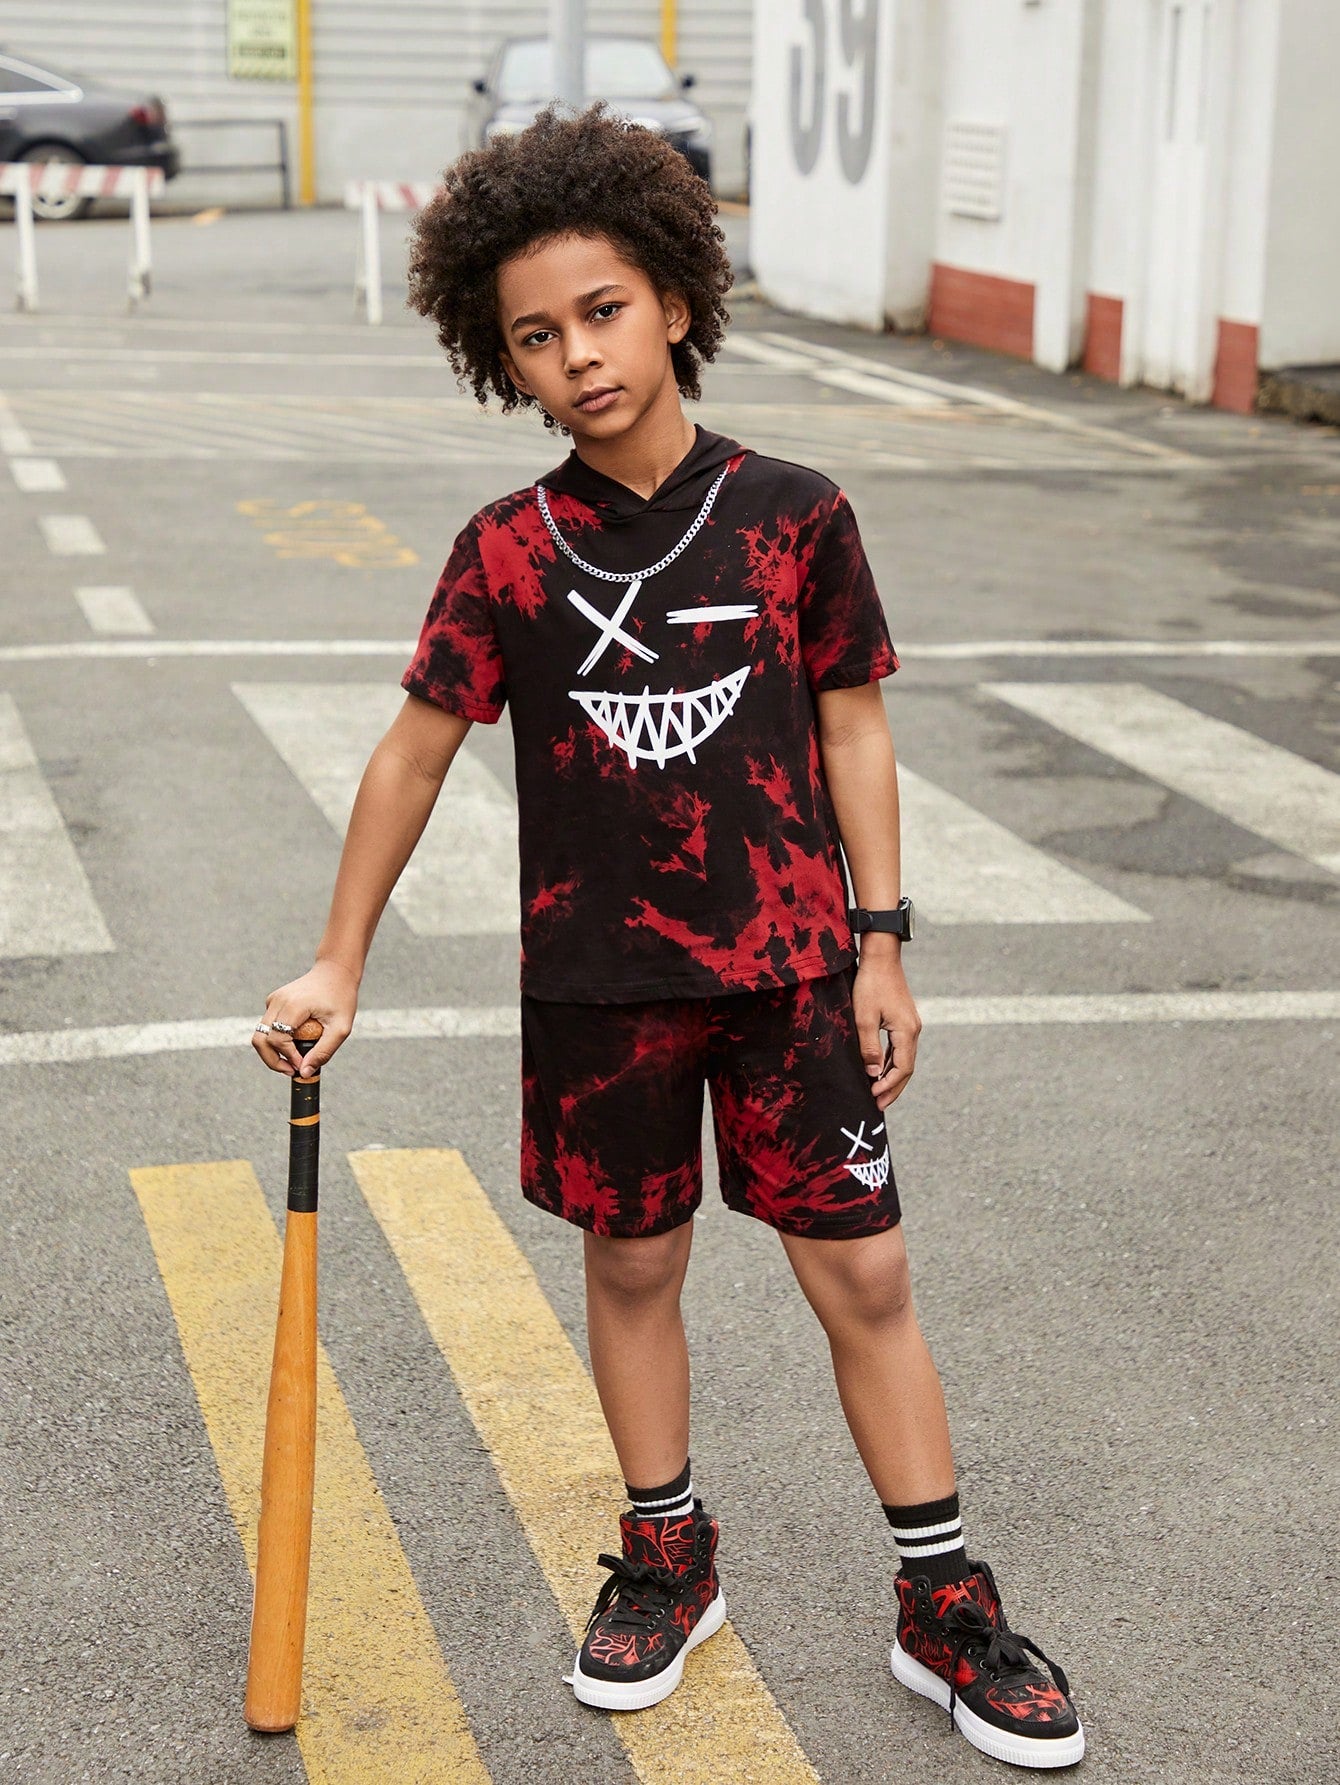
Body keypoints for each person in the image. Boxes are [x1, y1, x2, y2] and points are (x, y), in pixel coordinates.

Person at [252, 104, 1083, 1771]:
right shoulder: (506, 550)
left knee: (865, 1271)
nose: (578, 355)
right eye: (535, 337)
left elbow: (853, 728)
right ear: (503, 362)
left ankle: (942, 1600)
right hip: (599, 986)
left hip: (789, 976)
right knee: (633, 1265)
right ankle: (667, 1552)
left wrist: (883, 941)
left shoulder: (793, 515)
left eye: (604, 311)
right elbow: (413, 754)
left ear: (677, 303)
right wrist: (338, 956)